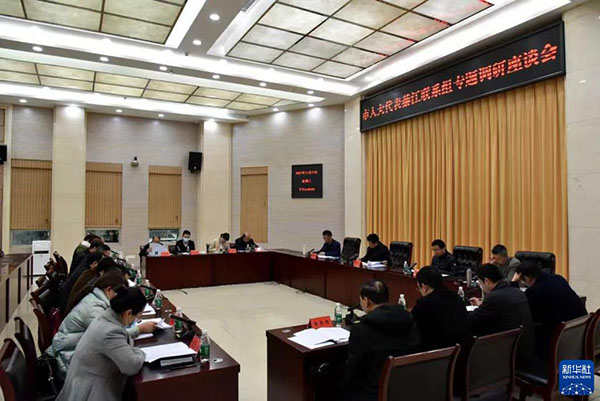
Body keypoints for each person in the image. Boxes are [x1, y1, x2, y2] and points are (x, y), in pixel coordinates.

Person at [48, 272, 157, 376]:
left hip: (74, 353)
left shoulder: (99, 301)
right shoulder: (95, 310)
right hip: (68, 360)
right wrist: (139, 331)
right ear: (109, 290)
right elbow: (112, 339)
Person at [56, 287, 148, 401]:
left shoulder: (105, 317)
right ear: (128, 313)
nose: (136, 320)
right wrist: (140, 352)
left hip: (82, 382)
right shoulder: (111, 331)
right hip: (91, 393)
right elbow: (131, 366)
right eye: (137, 316)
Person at [340, 280, 419, 401]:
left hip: (371, 392)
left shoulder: (361, 329)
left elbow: (353, 368)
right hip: (405, 386)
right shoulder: (408, 320)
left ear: (366, 301)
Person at [512, 262, 587, 361]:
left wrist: (513, 283)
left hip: (560, 340)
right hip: (580, 331)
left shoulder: (534, 291)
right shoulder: (558, 278)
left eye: (523, 281)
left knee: (523, 337)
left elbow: (531, 317)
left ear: (527, 278)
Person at [468, 263, 534, 371]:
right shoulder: (516, 292)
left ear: (486, 281)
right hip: (525, 348)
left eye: (480, 283)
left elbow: (473, 320)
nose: (481, 286)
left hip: (509, 355)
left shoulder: (494, 297)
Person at [411, 266, 470, 351]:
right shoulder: (455, 297)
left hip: (436, 353)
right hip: (461, 350)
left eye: (418, 288)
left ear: (424, 287)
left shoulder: (424, 304)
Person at [58, 247, 105, 314]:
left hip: (66, 304)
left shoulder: (85, 268)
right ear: (94, 263)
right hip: (67, 308)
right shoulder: (87, 274)